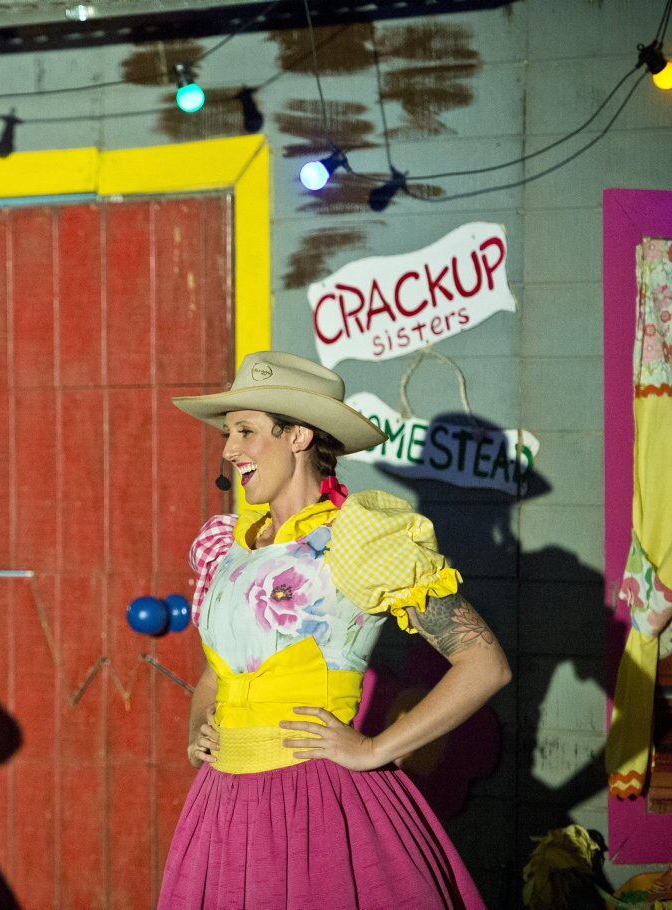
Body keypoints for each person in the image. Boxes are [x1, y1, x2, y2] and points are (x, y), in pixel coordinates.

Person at [159, 351, 510, 910]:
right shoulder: (228, 546)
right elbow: (214, 676)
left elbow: (485, 664)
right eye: (229, 434)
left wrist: (373, 748)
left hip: (315, 803)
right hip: (222, 807)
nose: (229, 450)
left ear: (297, 436)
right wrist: (201, 729)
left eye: (245, 431)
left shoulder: (360, 539)